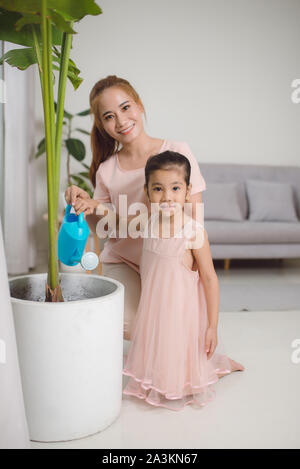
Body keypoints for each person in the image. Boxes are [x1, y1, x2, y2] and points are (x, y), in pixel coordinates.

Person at [65, 75, 208, 341]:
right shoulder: (107, 170)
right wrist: (86, 205)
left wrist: (189, 269)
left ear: (139, 106)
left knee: (168, 331)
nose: (120, 121)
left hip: (169, 259)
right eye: (108, 116)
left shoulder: (177, 151)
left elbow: (193, 220)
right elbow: (104, 231)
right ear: (102, 125)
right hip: (125, 261)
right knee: (128, 326)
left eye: (125, 107)